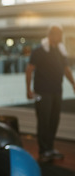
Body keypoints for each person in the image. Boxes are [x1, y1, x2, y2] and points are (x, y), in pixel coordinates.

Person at [26, 24, 75, 163]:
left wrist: (73, 83)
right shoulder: (39, 51)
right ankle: (43, 150)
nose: (60, 37)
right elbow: (29, 70)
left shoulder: (60, 51)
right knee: (44, 121)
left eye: (60, 34)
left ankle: (50, 148)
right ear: (51, 35)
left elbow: (66, 69)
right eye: (57, 34)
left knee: (54, 121)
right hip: (42, 92)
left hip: (56, 92)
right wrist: (28, 90)